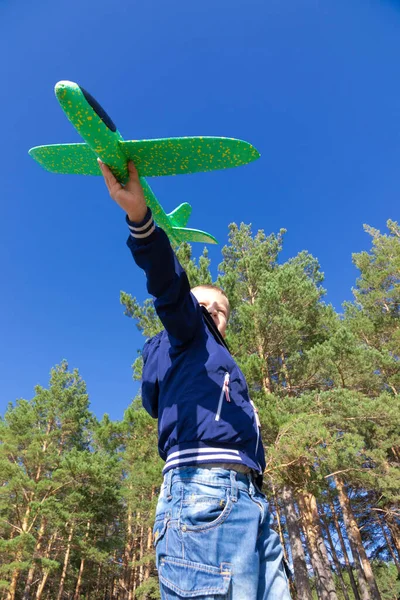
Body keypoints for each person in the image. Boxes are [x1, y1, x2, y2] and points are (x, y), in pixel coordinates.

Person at [98, 159, 291, 600]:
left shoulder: (215, 359)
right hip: (205, 495)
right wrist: (142, 222)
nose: (213, 314)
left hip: (252, 502)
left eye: (221, 310)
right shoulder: (187, 331)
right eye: (204, 306)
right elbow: (168, 287)